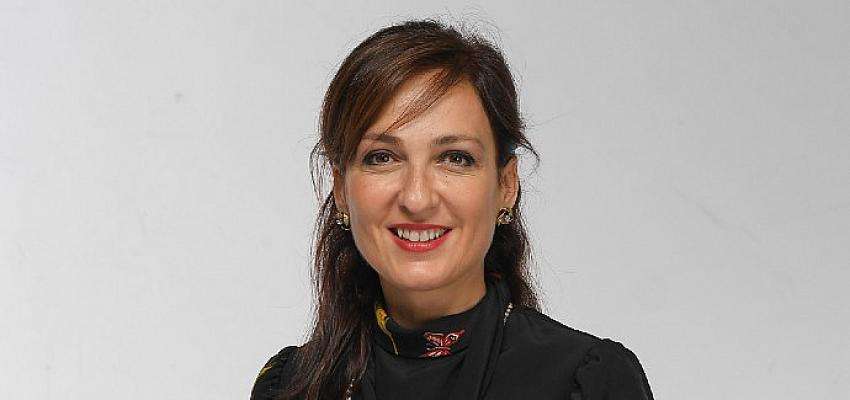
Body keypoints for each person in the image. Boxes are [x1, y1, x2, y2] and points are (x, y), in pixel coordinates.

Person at [251, 19, 654, 400]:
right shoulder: (290, 386)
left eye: (455, 158)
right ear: (341, 189)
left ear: (506, 185)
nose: (417, 198)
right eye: (382, 157)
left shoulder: (584, 382)